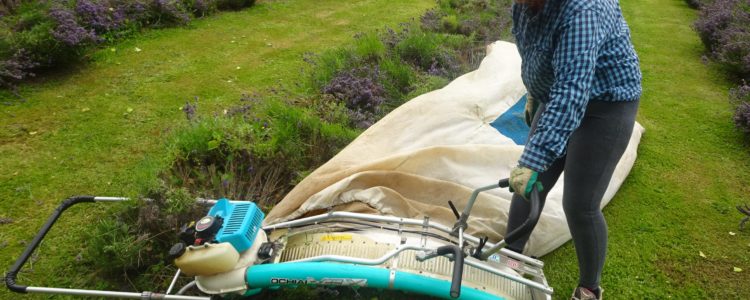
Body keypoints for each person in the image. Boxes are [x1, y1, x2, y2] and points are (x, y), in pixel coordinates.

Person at [504, 0, 642, 299]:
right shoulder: (524, 5)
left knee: (580, 204)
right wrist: (534, 91)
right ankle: (509, 261)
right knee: (528, 185)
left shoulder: (583, 10)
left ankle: (589, 288)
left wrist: (534, 159)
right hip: (558, 93)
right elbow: (532, 49)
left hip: (606, 104)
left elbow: (571, 93)